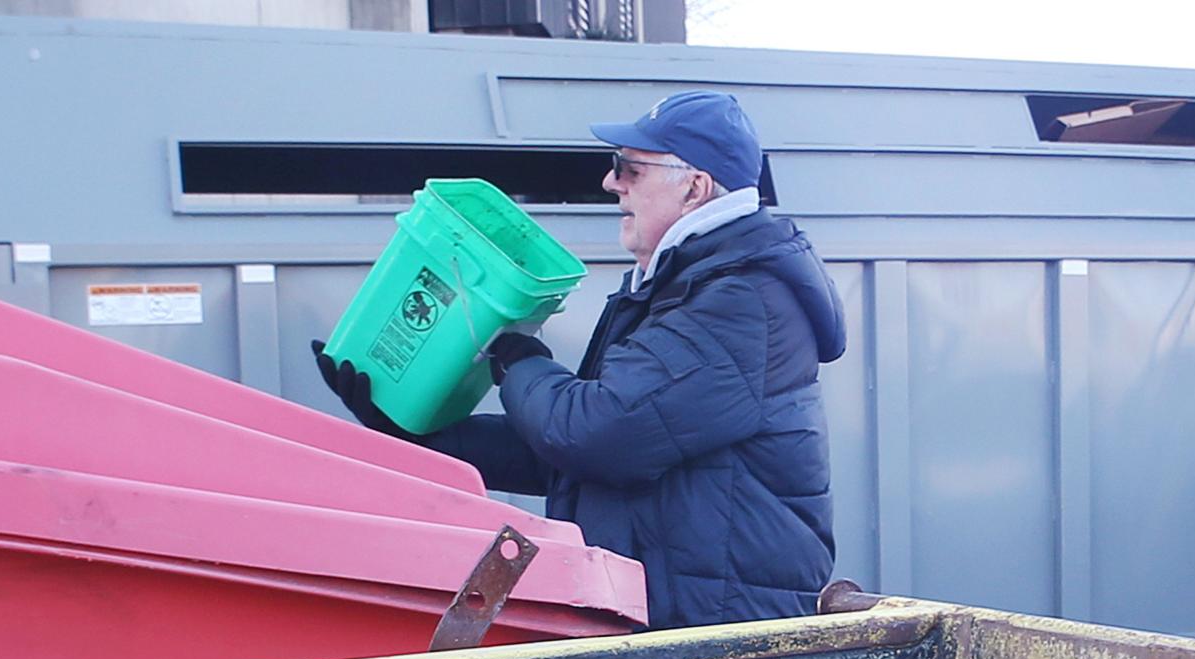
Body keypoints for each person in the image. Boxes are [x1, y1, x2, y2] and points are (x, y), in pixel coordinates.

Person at [315, 90, 846, 630]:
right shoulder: (682, 287)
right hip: (679, 629)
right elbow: (564, 455)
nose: (611, 183)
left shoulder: (743, 302)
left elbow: (597, 433)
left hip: (719, 646)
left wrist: (516, 358)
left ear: (695, 188)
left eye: (630, 168)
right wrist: (414, 429)